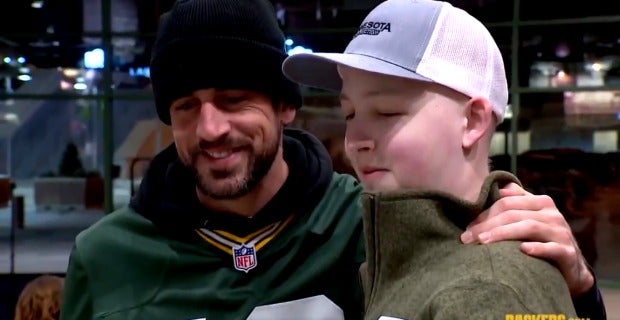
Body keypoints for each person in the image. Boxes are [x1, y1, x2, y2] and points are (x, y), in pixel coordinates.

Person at [60, 0, 605, 319]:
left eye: (234, 101)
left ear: (285, 106)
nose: (210, 129)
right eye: (185, 107)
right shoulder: (104, 256)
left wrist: (579, 287)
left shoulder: (371, 225)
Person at [282, 0, 605, 318]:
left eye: (387, 112)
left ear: (473, 121)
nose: (355, 141)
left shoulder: (488, 289)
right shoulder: (389, 262)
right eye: (350, 113)